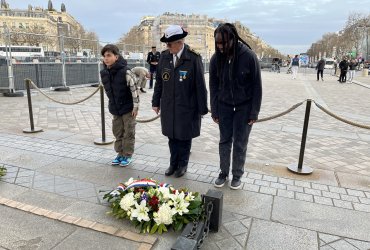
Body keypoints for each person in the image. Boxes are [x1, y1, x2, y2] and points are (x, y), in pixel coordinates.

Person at [209, 23, 262, 190]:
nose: (220, 47)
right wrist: (215, 110)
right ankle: (223, 173)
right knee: (224, 141)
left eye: (223, 43)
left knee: (240, 143)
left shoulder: (249, 56)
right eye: (217, 43)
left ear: (233, 39)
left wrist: (254, 112)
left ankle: (237, 174)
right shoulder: (216, 58)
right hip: (224, 107)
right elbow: (213, 86)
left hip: (244, 108)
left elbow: (257, 87)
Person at [152, 25, 208, 178]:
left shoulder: (193, 58)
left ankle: (182, 165)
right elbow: (159, 83)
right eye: (166, 44)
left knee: (184, 137)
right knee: (171, 136)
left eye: (169, 44)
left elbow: (200, 86)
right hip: (169, 105)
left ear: (179, 42)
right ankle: (173, 163)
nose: (167, 47)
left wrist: (202, 108)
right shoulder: (164, 56)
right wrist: (155, 102)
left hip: (187, 106)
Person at [100, 44, 140, 167]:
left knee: (128, 132)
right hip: (115, 108)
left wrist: (136, 107)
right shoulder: (103, 72)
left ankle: (127, 155)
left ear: (116, 57)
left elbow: (134, 90)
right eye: (104, 56)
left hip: (128, 108)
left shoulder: (126, 71)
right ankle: (120, 153)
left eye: (109, 55)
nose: (106, 58)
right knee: (117, 132)